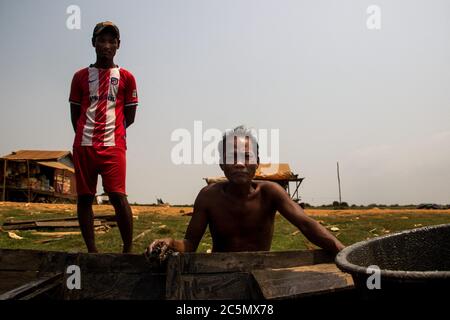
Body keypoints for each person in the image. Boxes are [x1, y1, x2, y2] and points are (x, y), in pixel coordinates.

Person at [147, 126, 344, 257]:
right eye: (232, 156)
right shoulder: (209, 196)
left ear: (257, 163)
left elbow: (307, 225)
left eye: (246, 156)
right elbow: (190, 244)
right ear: (222, 164)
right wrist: (171, 242)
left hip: (261, 270)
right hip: (219, 272)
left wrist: (343, 253)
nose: (240, 163)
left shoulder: (270, 192)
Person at [69, 21, 138, 253]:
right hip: (84, 145)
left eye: (112, 41)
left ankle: (127, 250)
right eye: (102, 40)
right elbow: (75, 115)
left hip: (114, 145)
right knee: (85, 198)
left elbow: (130, 116)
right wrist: (86, 133)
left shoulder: (127, 77)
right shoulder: (80, 76)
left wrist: (112, 132)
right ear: (93, 43)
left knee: (118, 196)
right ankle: (92, 252)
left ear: (118, 45)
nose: (106, 45)